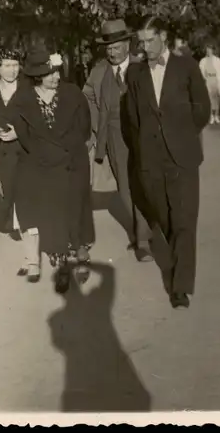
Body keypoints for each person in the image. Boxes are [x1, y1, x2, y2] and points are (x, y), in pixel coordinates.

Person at [126, 16, 211, 309]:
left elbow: (202, 109)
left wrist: (182, 135)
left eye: (150, 40)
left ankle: (180, 286)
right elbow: (133, 120)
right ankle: (176, 264)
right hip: (152, 160)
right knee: (166, 220)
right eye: (141, 41)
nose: (145, 46)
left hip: (183, 158)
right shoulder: (134, 74)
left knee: (185, 221)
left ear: (163, 36)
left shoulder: (186, 67)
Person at [10, 44, 95, 294]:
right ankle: (62, 266)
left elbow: (84, 129)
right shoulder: (22, 101)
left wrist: (66, 150)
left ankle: (77, 251)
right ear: (37, 76)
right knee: (54, 218)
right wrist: (44, 155)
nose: (56, 77)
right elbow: (24, 136)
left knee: (74, 212)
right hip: (43, 165)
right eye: (50, 74)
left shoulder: (73, 95)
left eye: (58, 72)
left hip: (72, 163)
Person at [83, 19, 153, 262]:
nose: (112, 52)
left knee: (145, 182)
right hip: (113, 134)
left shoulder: (142, 67)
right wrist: (96, 125)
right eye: (108, 48)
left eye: (116, 46)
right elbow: (88, 97)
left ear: (127, 44)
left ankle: (147, 234)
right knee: (125, 187)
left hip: (143, 134)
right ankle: (141, 236)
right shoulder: (99, 72)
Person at [0, 45, 45, 283]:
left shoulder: (28, 89)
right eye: (6, 65)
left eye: (15, 65)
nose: (12, 70)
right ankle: (29, 257)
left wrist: (19, 132)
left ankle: (33, 261)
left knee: (28, 205)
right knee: (13, 209)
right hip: (4, 157)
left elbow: (39, 119)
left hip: (27, 153)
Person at [199, 44, 220, 124]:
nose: (208, 51)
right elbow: (200, 72)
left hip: (216, 80)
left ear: (212, 50)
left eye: (210, 49)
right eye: (207, 50)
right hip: (208, 80)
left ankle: (216, 115)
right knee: (209, 99)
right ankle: (211, 116)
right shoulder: (203, 61)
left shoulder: (217, 60)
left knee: (217, 99)